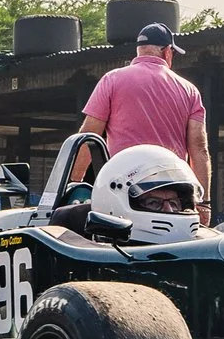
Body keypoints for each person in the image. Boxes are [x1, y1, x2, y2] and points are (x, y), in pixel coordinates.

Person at [79, 24, 212, 218]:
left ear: (139, 51)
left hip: (124, 194)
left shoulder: (112, 80)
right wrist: (203, 204)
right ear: (167, 52)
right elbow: (199, 150)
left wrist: (73, 184)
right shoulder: (189, 90)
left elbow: (88, 137)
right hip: (171, 195)